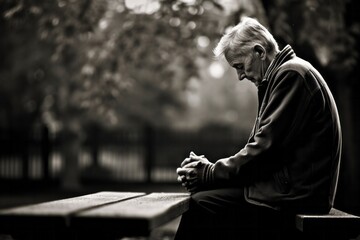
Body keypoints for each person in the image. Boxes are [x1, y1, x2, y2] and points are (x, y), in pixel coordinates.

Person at [175, 17, 342, 240]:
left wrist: (209, 172)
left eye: (240, 66)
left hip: (295, 198)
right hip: (286, 192)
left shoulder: (291, 74)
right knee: (204, 199)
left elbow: (264, 152)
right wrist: (209, 170)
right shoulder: (282, 76)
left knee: (201, 205)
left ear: (259, 52)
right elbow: (262, 151)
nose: (240, 76)